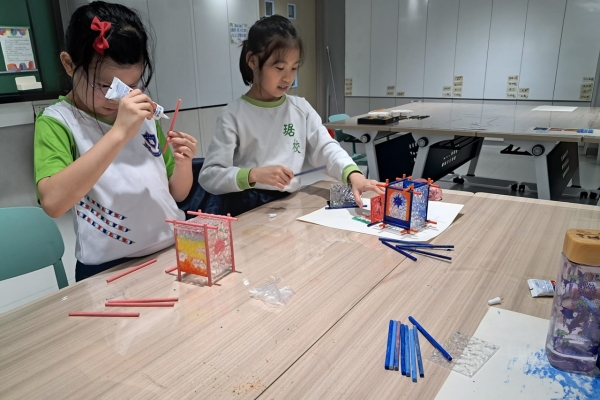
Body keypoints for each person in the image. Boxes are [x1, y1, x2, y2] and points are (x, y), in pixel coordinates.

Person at [34, 1, 197, 281]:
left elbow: (177, 194)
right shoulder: (58, 121)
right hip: (108, 268)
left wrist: (183, 164)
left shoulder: (144, 115)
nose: (118, 98)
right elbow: (53, 203)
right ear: (69, 64)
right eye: (104, 86)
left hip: (172, 248)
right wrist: (119, 133)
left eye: (130, 87)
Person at [198, 15, 382, 216]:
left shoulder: (300, 108)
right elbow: (209, 176)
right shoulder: (233, 115)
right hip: (246, 209)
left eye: (294, 68)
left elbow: (325, 147)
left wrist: (353, 174)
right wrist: (253, 175)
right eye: (279, 68)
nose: (288, 78)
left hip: (291, 203)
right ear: (253, 61)